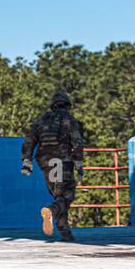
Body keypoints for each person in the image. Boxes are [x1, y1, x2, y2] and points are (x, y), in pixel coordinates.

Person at [21, 92, 85, 242]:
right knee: (67, 195)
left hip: (46, 162)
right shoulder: (70, 120)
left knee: (59, 195)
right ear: (67, 105)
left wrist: (26, 161)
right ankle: (51, 211)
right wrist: (79, 163)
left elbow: (30, 140)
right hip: (63, 161)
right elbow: (77, 142)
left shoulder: (41, 120)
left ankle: (65, 232)